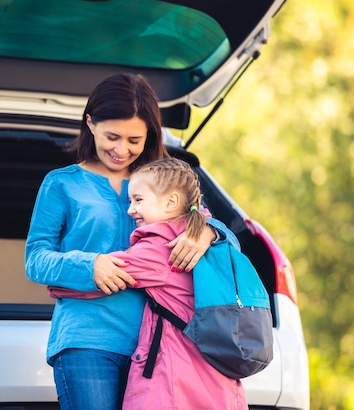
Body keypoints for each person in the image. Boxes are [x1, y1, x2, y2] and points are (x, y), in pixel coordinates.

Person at [24, 73, 219, 410]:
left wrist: (208, 232)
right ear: (90, 123)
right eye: (112, 136)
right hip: (86, 341)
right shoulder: (61, 184)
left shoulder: (162, 184)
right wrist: (90, 265)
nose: (121, 149)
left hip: (158, 345)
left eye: (134, 140)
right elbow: (36, 259)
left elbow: (214, 230)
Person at [48, 157, 249, 410]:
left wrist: (56, 285)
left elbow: (102, 275)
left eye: (138, 200)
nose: (130, 209)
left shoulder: (160, 247)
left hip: (177, 368)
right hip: (211, 368)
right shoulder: (206, 238)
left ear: (171, 202)